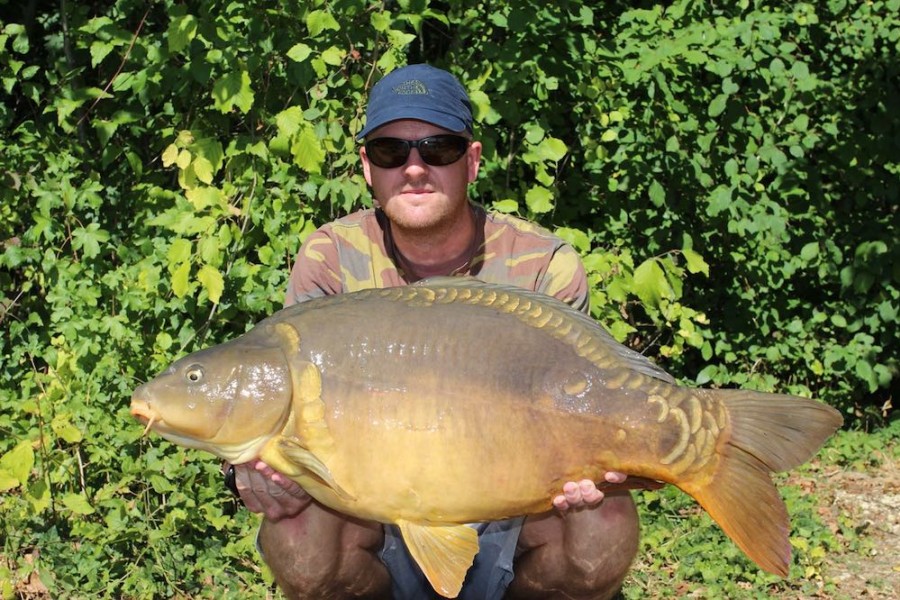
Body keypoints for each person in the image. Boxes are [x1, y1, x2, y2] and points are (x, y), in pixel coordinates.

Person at [230, 64, 640, 599]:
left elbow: (586, 402)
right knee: (299, 536)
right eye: (390, 152)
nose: (414, 168)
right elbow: (285, 408)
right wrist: (246, 469)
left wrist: (592, 465)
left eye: (438, 149)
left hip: (511, 501)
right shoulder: (330, 259)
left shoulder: (543, 265)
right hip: (372, 508)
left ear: (471, 161)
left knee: (600, 525)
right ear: (367, 167)